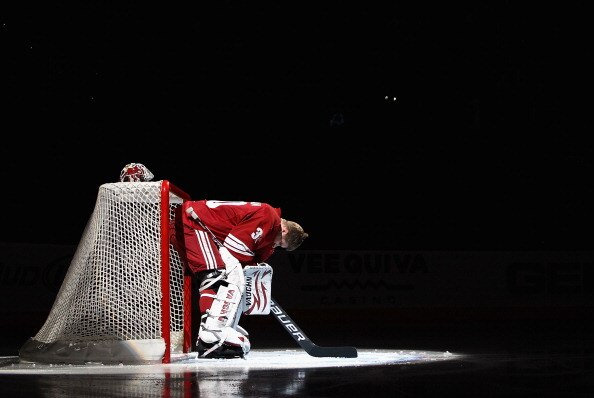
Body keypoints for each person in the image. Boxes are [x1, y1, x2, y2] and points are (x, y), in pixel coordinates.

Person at [177, 199, 308, 359]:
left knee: (220, 278)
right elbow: (234, 251)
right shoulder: (267, 217)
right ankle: (210, 337)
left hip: (197, 225)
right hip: (193, 221)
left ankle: (216, 330)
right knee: (218, 277)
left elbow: (252, 262)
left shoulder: (270, 236)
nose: (277, 245)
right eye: (281, 243)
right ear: (285, 230)